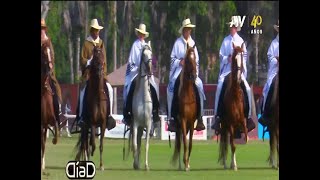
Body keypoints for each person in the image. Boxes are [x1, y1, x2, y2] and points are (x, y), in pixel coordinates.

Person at [211, 16, 255, 133]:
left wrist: (239, 63)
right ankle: (218, 116)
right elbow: (221, 56)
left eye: (234, 26)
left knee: (247, 88)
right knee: (220, 86)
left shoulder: (241, 41)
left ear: (237, 28)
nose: (232, 28)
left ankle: (248, 116)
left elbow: (244, 57)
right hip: (227, 71)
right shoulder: (225, 41)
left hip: (238, 71)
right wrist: (228, 59)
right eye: (231, 26)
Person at [75, 19, 116, 130]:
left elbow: (104, 61)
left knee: (110, 89)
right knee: (83, 91)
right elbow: (82, 60)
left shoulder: (101, 43)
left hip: (101, 75)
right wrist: (89, 61)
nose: (96, 32)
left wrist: (103, 73)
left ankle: (109, 115)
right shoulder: (86, 43)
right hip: (89, 75)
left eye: (98, 30)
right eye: (95, 30)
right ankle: (82, 117)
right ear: (91, 30)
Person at [167, 18, 206, 132]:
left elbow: (197, 61)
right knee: (171, 88)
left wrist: (194, 71)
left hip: (191, 72)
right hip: (179, 71)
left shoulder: (193, 44)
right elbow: (172, 58)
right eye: (186, 29)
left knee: (200, 86)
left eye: (189, 29)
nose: (188, 31)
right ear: (183, 30)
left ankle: (200, 117)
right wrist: (179, 62)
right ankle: (172, 118)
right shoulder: (177, 43)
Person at [122, 23, 160, 126]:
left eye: (143, 34)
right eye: (140, 33)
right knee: (130, 88)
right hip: (136, 73)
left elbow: (151, 60)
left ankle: (155, 112)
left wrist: (150, 68)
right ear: (138, 33)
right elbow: (131, 61)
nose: (141, 35)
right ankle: (127, 113)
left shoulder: (147, 46)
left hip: (146, 73)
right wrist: (137, 68)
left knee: (154, 87)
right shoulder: (135, 45)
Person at [41, 18, 62, 126]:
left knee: (55, 88)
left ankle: (58, 112)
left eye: (43, 28)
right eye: (41, 28)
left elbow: (52, 56)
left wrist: (51, 66)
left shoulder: (48, 41)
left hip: (48, 73)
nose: (42, 30)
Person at [258, 20, 279, 127]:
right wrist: (277, 60)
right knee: (267, 90)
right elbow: (270, 56)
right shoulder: (274, 44)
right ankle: (265, 114)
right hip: (275, 71)